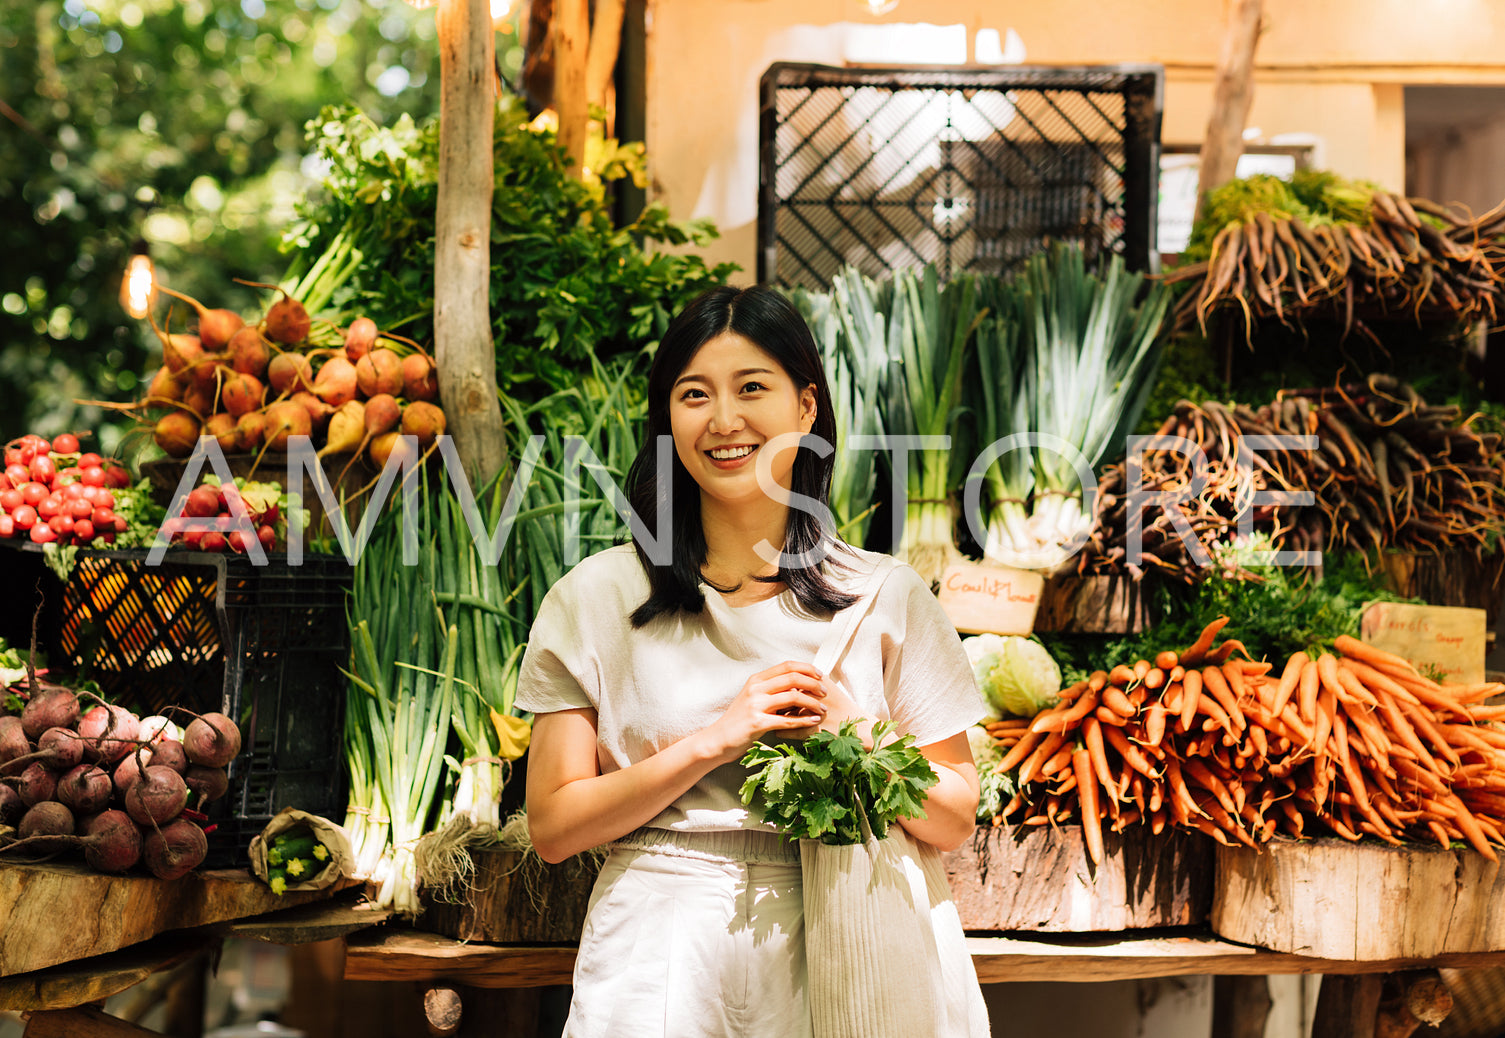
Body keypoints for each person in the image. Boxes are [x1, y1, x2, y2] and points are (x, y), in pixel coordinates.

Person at [516, 284, 989, 1037]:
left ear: (805, 407)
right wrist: (716, 739)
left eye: (751, 389)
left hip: (852, 934)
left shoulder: (885, 597)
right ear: (667, 419)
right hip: (662, 942)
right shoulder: (596, 597)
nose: (724, 421)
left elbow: (954, 817)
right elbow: (553, 825)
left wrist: (858, 734)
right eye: (694, 394)